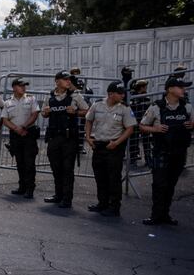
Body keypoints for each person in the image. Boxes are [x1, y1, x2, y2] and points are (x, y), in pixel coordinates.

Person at [139, 77, 193, 226]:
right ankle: (155, 216)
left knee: (170, 185)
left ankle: (165, 215)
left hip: (179, 153)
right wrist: (155, 129)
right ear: (170, 89)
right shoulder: (156, 107)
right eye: (180, 87)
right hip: (161, 152)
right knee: (159, 185)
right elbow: (142, 126)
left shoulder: (187, 107)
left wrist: (191, 124)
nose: (184, 90)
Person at [84, 82, 136, 217]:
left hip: (114, 147)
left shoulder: (124, 108)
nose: (123, 95)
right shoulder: (97, 105)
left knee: (113, 178)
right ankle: (102, 203)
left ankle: (114, 207)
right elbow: (88, 120)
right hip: (99, 145)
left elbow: (130, 129)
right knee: (100, 176)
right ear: (111, 94)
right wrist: (88, 137)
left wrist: (117, 142)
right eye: (120, 93)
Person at [41, 71, 89, 208]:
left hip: (69, 138)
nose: (68, 82)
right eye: (65, 79)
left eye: (69, 80)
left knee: (67, 169)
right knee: (56, 167)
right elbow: (44, 113)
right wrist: (45, 112)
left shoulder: (75, 96)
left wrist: (75, 112)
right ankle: (58, 195)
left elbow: (87, 111)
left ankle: (67, 199)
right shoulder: (49, 96)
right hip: (54, 137)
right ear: (57, 81)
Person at [0, 78, 40, 199]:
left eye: (25, 86)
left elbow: (35, 114)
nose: (24, 88)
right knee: (20, 162)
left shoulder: (31, 99)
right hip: (16, 136)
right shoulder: (8, 103)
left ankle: (30, 188)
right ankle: (22, 187)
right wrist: (16, 129)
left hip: (28, 134)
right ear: (14, 87)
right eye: (21, 86)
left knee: (29, 163)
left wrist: (23, 126)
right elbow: (4, 120)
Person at [128, 80, 153, 167]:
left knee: (147, 141)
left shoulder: (146, 97)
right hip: (135, 122)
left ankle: (148, 158)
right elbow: (130, 110)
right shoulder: (132, 97)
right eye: (145, 86)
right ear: (141, 87)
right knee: (134, 141)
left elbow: (149, 110)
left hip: (145, 123)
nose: (146, 88)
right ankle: (133, 159)